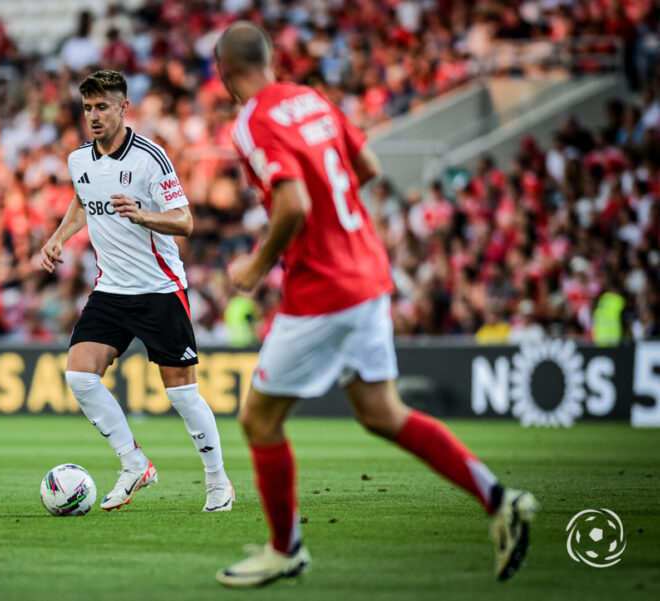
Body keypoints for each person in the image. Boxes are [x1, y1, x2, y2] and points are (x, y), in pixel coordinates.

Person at [211, 22, 538, 587]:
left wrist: (255, 266)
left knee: (258, 419)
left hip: (323, 289)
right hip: (367, 274)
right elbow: (367, 168)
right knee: (382, 413)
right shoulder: (310, 100)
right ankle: (498, 497)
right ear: (270, 58)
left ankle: (285, 547)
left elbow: (291, 203)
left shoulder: (253, 120)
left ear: (224, 74)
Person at [38, 70, 233, 512]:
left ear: (124, 108)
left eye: (102, 107)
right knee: (79, 375)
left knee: (182, 393)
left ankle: (218, 482)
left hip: (160, 288)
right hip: (111, 291)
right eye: (87, 108)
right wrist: (58, 238)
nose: (93, 116)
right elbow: (83, 200)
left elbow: (184, 221)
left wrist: (142, 215)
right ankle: (134, 463)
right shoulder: (79, 160)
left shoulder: (151, 157)